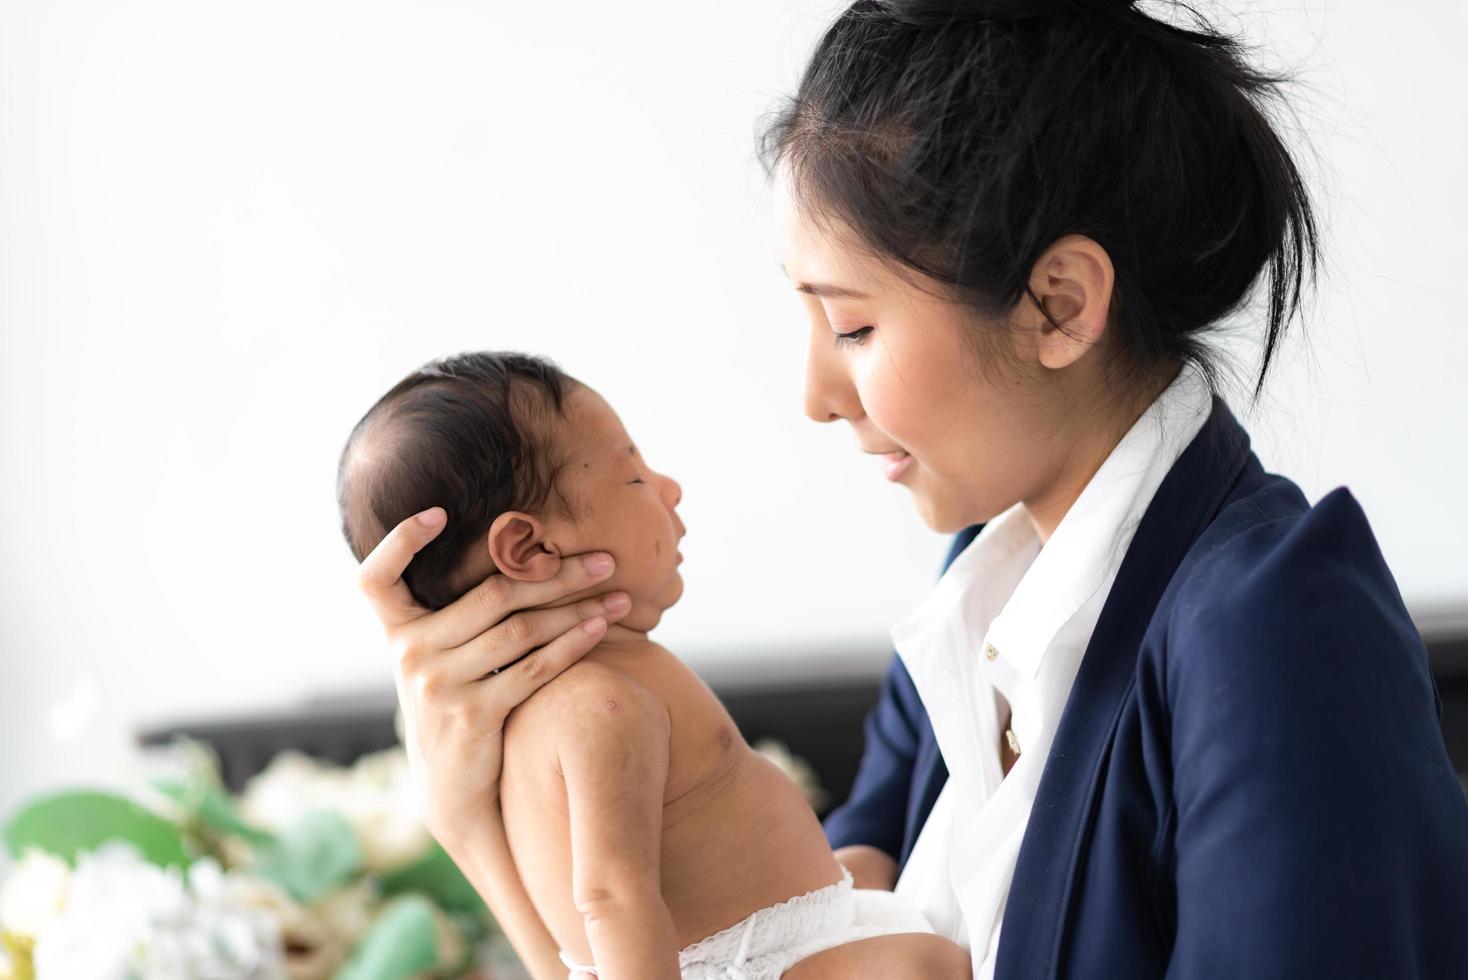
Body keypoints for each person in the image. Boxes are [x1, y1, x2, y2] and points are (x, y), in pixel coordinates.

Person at [353, 0, 1468, 976]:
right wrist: (472, 819)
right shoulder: (977, 601)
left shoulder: (1271, 621)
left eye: (852, 323)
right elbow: (766, 936)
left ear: (1059, 303)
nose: (814, 392)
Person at [336, 352, 967, 980]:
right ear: (531, 547)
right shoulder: (599, 703)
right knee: (921, 965)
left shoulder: (538, 713)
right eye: (633, 475)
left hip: (793, 938)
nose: (669, 488)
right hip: (745, 964)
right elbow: (610, 898)